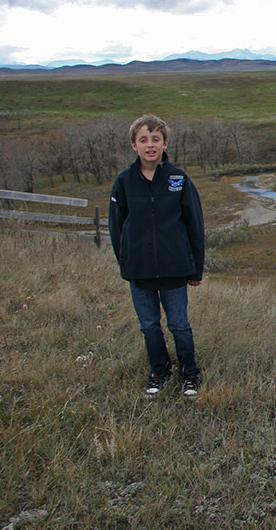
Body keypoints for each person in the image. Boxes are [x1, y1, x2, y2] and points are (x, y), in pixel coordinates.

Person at [109, 114, 205, 398]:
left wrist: (195, 270)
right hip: (139, 271)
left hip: (175, 268)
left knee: (179, 324)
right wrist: (125, 264)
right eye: (143, 139)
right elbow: (117, 229)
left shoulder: (178, 179)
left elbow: (194, 225)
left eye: (155, 139)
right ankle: (159, 372)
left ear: (165, 143)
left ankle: (190, 374)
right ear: (133, 145)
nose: (150, 145)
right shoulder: (124, 182)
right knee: (149, 325)